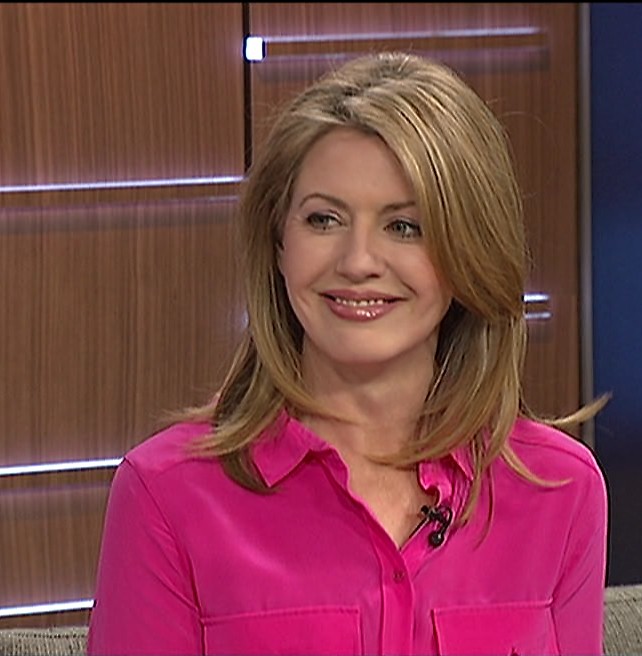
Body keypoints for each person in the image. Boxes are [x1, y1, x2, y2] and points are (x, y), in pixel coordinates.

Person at [87, 51, 609, 655]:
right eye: (324, 219)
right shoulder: (167, 496)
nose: (358, 262)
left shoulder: (560, 490)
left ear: (468, 252)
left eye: (404, 226)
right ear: (278, 243)